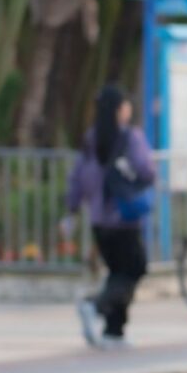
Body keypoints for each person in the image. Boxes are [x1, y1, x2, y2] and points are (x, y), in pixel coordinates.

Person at [64, 85, 156, 349]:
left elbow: (78, 178)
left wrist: (71, 209)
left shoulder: (91, 139)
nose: (129, 109)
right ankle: (95, 306)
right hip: (123, 217)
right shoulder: (130, 138)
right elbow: (147, 171)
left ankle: (114, 332)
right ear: (118, 109)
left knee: (118, 272)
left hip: (98, 218)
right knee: (136, 267)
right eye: (125, 105)